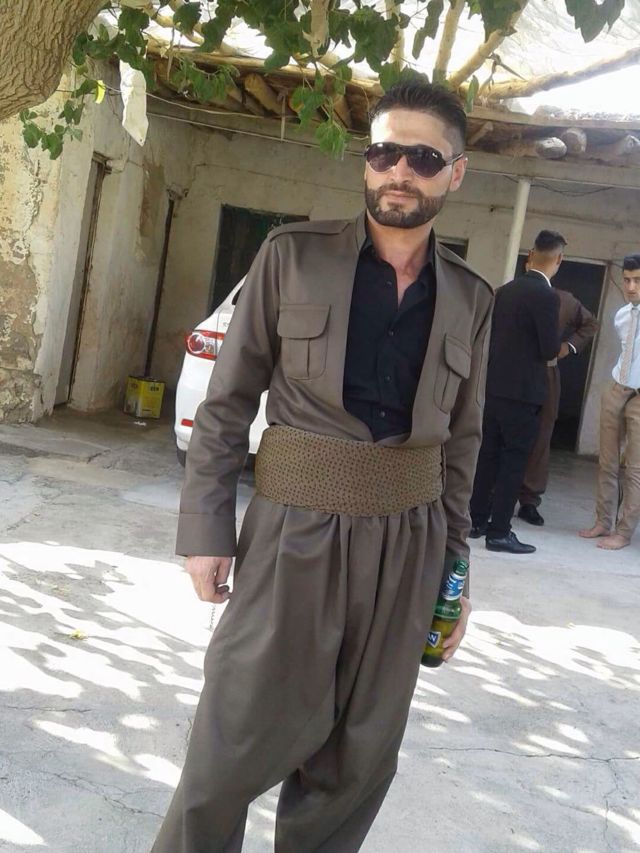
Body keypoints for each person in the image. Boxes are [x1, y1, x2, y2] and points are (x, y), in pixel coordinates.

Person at [152, 80, 494, 853]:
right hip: (293, 530)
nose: (398, 170)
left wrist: (455, 576)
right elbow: (226, 404)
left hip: (408, 546)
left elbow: (461, 446)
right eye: (383, 152)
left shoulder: (472, 298)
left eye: (422, 157)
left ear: (455, 173)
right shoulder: (291, 257)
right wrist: (205, 531)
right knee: (227, 746)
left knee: (357, 761)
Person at [469, 231, 563, 553]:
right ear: (558, 259)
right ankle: (499, 532)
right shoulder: (547, 297)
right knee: (513, 462)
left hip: (494, 387)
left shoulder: (504, 292)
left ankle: (476, 520)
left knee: (487, 457)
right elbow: (549, 349)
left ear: (530, 256)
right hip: (524, 395)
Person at [517, 233, 598, 526]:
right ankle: (491, 495)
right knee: (501, 432)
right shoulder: (509, 294)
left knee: (541, 436)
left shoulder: (564, 300)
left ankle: (529, 499)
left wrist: (568, 347)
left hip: (546, 372)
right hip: (511, 373)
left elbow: (590, 323)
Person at [579, 254, 640, 550]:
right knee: (607, 461)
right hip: (618, 386)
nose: (630, 287)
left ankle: (624, 532)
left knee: (635, 469)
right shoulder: (622, 315)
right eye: (626, 280)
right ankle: (603, 521)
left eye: (637, 280)